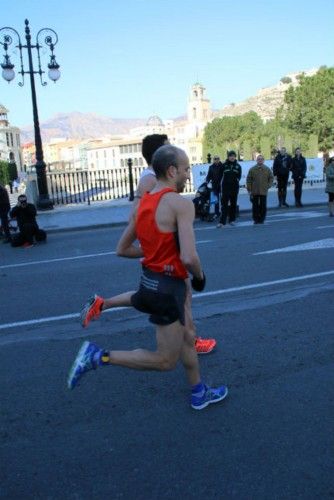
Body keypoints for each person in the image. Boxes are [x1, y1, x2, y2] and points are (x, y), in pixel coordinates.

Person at [67, 145, 228, 410]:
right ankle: (98, 357)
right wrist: (200, 277)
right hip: (168, 290)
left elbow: (122, 249)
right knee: (165, 361)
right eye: (186, 169)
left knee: (188, 337)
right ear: (172, 170)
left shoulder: (143, 206)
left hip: (149, 281)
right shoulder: (181, 205)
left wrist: (154, 251)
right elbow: (189, 257)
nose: (189, 175)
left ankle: (198, 392)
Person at [81, 134, 216, 355]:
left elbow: (138, 216)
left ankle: (101, 304)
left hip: (160, 258)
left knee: (143, 297)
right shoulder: (153, 182)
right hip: (169, 262)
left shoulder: (149, 178)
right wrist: (156, 246)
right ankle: (192, 341)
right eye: (167, 146)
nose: (172, 147)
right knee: (183, 301)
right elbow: (140, 216)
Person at [217, 151, 241, 227]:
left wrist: (236, 181)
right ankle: (222, 222)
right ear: (228, 157)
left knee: (233, 204)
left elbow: (239, 177)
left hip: (234, 188)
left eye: (233, 156)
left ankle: (232, 220)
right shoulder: (224, 165)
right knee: (224, 205)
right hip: (225, 188)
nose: (232, 157)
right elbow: (220, 176)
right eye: (231, 156)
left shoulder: (238, 166)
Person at [246, 155, 274, 224]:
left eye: (261, 159)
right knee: (255, 206)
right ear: (256, 160)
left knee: (263, 206)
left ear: (263, 160)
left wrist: (268, 185)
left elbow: (271, 178)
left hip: (263, 191)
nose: (260, 160)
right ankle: (256, 219)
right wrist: (249, 189)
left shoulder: (267, 169)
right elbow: (248, 180)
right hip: (254, 191)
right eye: (259, 159)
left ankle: (262, 219)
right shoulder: (252, 169)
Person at [205, 155, 223, 220]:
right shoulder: (211, 167)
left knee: (223, 200)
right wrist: (207, 181)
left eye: (218, 158)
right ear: (213, 160)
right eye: (215, 159)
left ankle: (224, 213)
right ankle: (217, 213)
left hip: (222, 185)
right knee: (216, 201)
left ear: (219, 159)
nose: (216, 160)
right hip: (215, 186)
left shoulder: (222, 166)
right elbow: (209, 176)